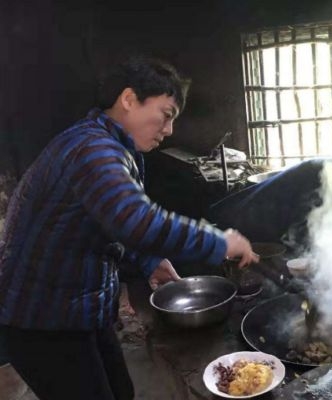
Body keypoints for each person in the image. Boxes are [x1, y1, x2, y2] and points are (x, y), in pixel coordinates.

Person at [0, 56, 258, 400]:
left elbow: (107, 220)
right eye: (166, 115)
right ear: (128, 100)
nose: (169, 131)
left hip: (79, 308)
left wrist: (149, 261)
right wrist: (219, 241)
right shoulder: (92, 150)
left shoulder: (106, 146)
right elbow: (137, 220)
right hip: (42, 318)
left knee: (120, 391)